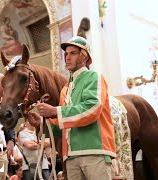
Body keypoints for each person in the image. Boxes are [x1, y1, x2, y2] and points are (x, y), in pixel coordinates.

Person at [28, 36, 116, 180]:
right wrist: (43, 123)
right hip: (70, 155)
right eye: (66, 54)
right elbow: (64, 126)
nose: (67, 58)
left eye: (73, 53)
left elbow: (91, 109)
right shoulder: (65, 89)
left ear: (84, 56)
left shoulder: (94, 76)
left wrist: (55, 111)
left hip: (94, 151)